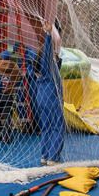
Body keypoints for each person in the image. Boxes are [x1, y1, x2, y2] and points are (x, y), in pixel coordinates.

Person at [31, 21, 65, 165]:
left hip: (41, 97)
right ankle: (53, 158)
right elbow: (48, 52)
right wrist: (49, 34)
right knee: (58, 126)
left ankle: (45, 156)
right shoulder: (47, 65)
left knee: (47, 127)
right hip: (51, 97)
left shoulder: (39, 68)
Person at [0, 50, 24, 142]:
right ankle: (6, 136)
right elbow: (19, 76)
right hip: (9, 94)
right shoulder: (14, 67)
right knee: (7, 117)